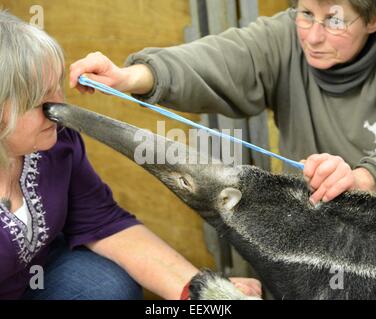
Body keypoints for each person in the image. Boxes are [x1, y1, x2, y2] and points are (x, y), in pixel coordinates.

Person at [0, 11, 261, 300]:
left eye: (57, 89)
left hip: (39, 273)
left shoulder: (57, 142)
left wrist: (205, 293)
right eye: (41, 101)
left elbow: (104, 223)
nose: (59, 108)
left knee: (109, 286)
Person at [70, 0, 376, 207]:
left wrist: (362, 179)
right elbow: (220, 59)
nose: (312, 37)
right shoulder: (284, 37)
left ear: (372, 20)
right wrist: (130, 77)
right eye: (306, 13)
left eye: (335, 21)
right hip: (313, 230)